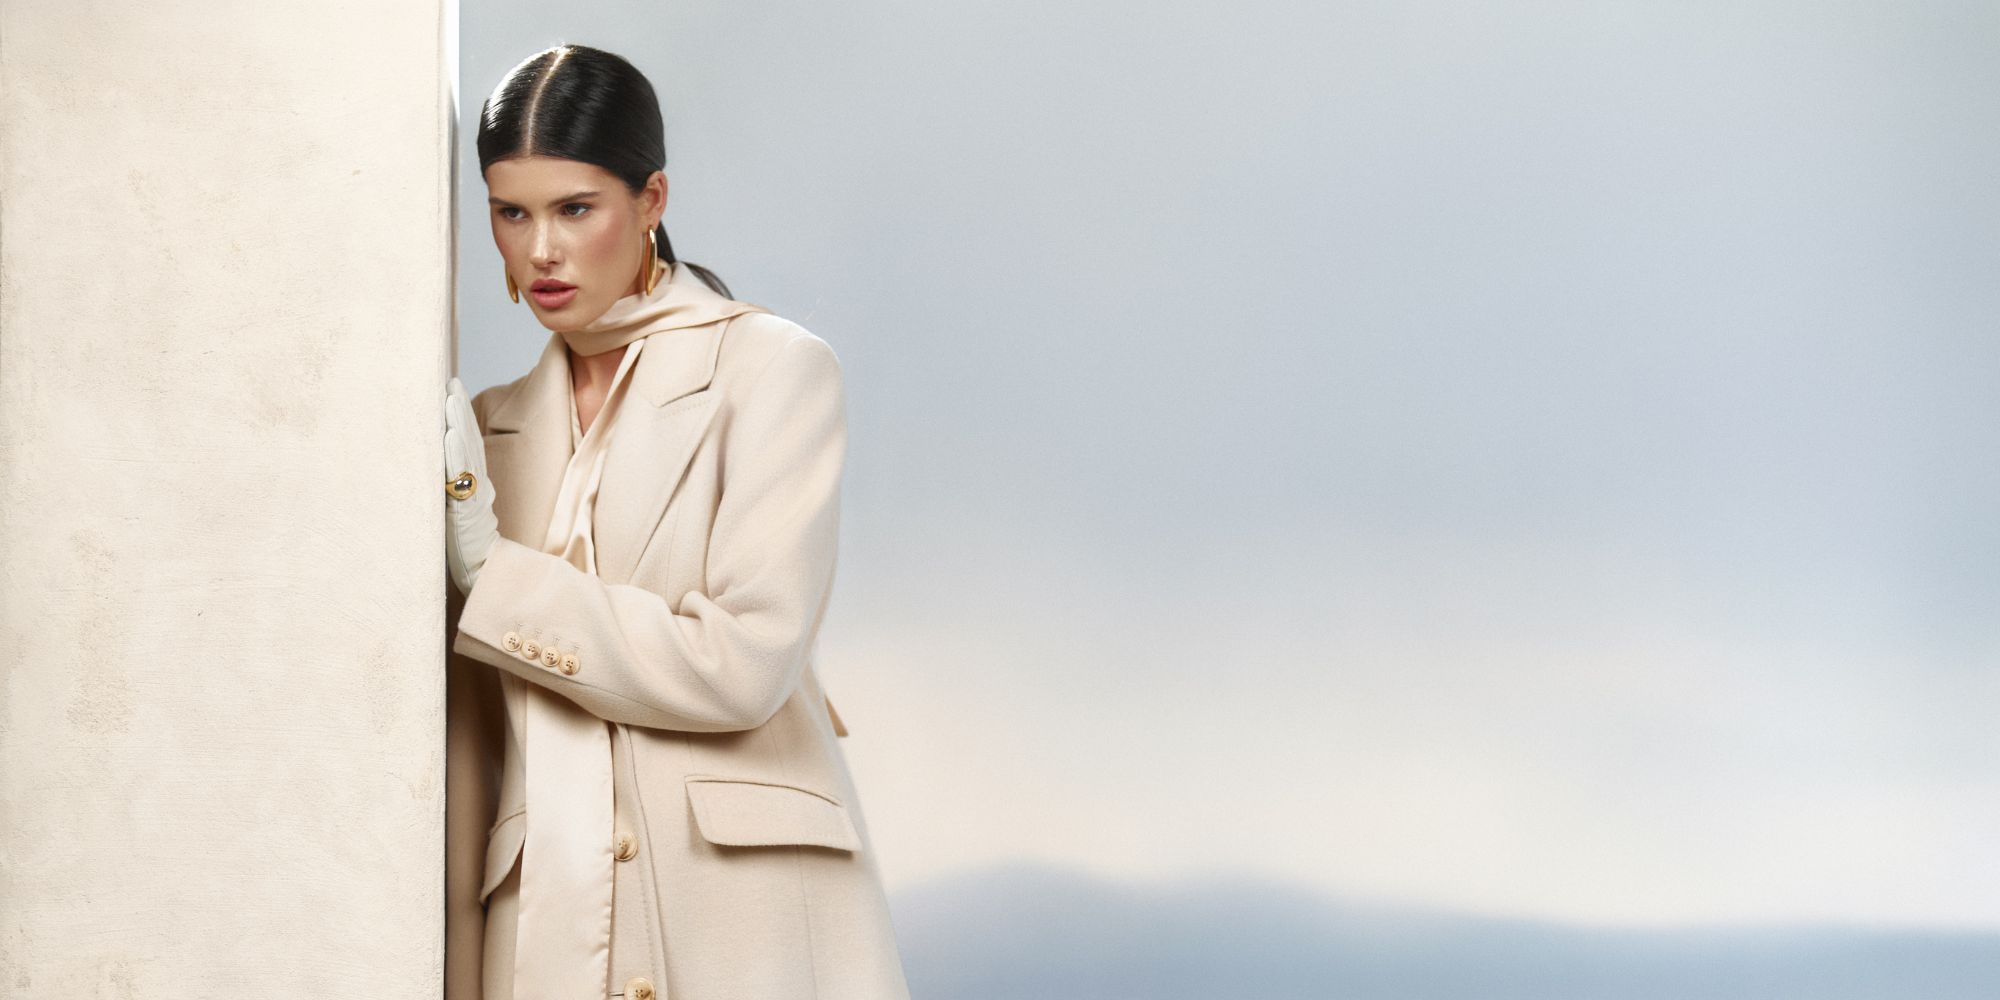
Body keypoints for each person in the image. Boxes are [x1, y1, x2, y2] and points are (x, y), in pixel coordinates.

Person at [439, 43, 910, 1000]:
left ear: (651, 198)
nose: (541, 250)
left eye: (576, 208)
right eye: (511, 212)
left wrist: (495, 578)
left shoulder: (773, 372)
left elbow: (744, 663)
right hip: (546, 942)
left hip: (746, 932)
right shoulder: (482, 433)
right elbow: (470, 753)